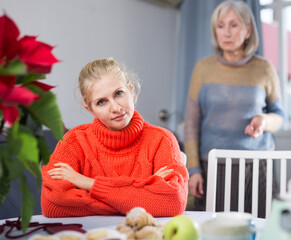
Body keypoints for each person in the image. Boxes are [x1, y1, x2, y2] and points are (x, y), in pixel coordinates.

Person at [41, 58, 189, 217]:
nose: (116, 108)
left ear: (131, 91)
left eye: (119, 94)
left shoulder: (162, 140)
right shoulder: (74, 141)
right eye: (101, 102)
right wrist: (142, 191)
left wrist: (88, 183)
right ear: (90, 109)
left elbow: (173, 201)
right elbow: (51, 205)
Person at [184, 1, 285, 216]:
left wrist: (264, 121)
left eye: (234, 25)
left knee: (261, 228)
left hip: (258, 166)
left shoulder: (264, 69)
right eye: (220, 26)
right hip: (214, 167)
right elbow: (191, 124)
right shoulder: (203, 68)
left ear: (248, 30)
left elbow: (279, 116)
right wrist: (193, 169)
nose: (226, 33)